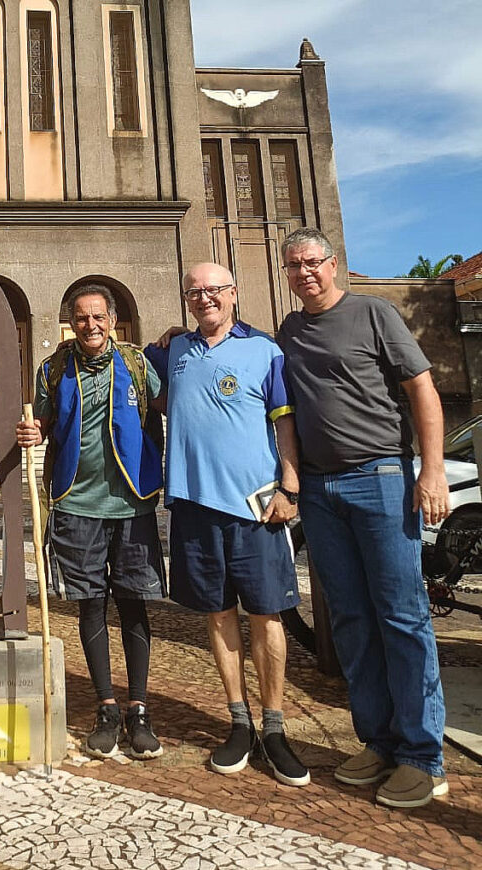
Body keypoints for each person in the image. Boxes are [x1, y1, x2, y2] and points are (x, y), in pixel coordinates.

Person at [277, 227, 449, 808]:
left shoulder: (374, 314)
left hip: (380, 477)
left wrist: (432, 470)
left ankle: (423, 756)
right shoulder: (290, 331)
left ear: (334, 264)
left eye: (313, 262)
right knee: (350, 618)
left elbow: (422, 389)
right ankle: (377, 739)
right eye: (293, 265)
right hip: (322, 491)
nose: (305, 272)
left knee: (402, 616)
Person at [145, 263, 310, 787]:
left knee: (267, 616)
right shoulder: (171, 353)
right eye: (194, 292)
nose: (204, 299)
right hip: (194, 506)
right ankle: (239, 722)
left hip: (256, 509)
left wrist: (290, 487)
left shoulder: (265, 351)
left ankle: (276, 728)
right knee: (217, 618)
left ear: (234, 294)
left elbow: (286, 423)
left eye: (213, 290)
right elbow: (132, 374)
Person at [16, 284, 166, 759]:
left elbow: (173, 405)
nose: (90, 326)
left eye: (98, 317)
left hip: (133, 504)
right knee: (90, 605)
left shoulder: (140, 365)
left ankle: (138, 709)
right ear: (71, 322)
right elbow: (40, 423)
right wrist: (30, 431)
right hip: (77, 504)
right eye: (81, 318)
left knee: (134, 603)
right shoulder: (54, 369)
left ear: (113, 320)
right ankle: (106, 707)